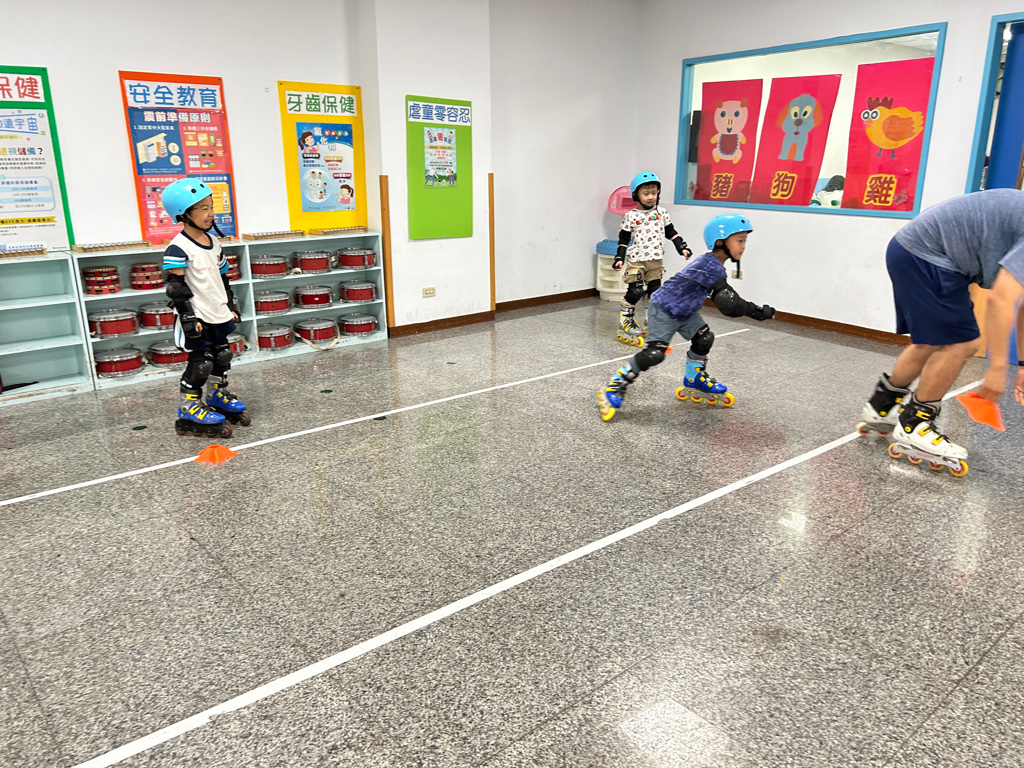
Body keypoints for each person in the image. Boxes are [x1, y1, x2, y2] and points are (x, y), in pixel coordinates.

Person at [858, 188, 1024, 470]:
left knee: (931, 342)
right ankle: (914, 425)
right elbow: (1000, 299)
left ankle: (880, 407)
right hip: (926, 254)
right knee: (962, 343)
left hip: (913, 249)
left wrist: (1022, 365)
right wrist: (997, 369)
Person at [599, 213, 775, 420]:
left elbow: (727, 301)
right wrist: (759, 312)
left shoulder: (714, 264)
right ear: (720, 242)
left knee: (704, 338)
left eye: (744, 241)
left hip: (685, 310)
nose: (743, 246)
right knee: (654, 354)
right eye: (739, 241)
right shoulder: (709, 265)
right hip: (664, 308)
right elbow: (730, 304)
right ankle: (615, 384)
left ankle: (694, 378)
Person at [161, 177, 250, 438]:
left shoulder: (214, 242)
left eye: (211, 207)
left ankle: (215, 395)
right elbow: (176, 287)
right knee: (202, 363)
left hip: (217, 311)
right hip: (197, 315)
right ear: (183, 214)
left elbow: (223, 279)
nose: (211, 213)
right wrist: (188, 318)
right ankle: (188, 406)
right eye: (203, 208)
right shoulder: (178, 247)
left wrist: (230, 306)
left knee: (223, 355)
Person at [612, 172, 692, 346]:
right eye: (646, 193)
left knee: (655, 293)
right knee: (635, 291)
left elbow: (671, 232)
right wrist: (619, 257)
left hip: (655, 260)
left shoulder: (661, 213)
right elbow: (623, 240)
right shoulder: (631, 216)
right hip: (636, 260)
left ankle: (652, 321)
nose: (650, 197)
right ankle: (625, 321)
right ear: (636, 195)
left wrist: (682, 247)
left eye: (654, 193)